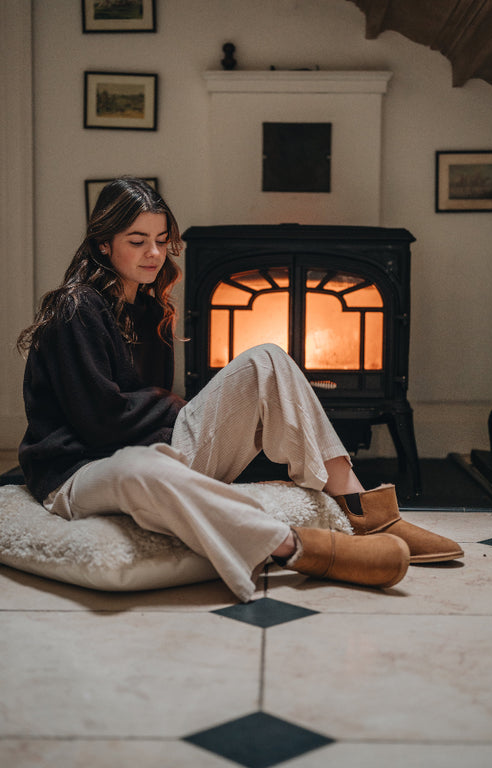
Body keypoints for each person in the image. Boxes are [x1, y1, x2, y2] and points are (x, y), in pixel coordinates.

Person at [17, 177, 463, 603]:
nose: (154, 253)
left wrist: (180, 418)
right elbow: (100, 420)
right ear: (103, 244)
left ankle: (368, 514)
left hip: (150, 448)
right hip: (82, 471)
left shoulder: (147, 306)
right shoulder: (76, 308)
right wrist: (179, 412)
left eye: (160, 239)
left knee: (267, 357)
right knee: (142, 467)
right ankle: (299, 549)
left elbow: (144, 410)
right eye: (137, 241)